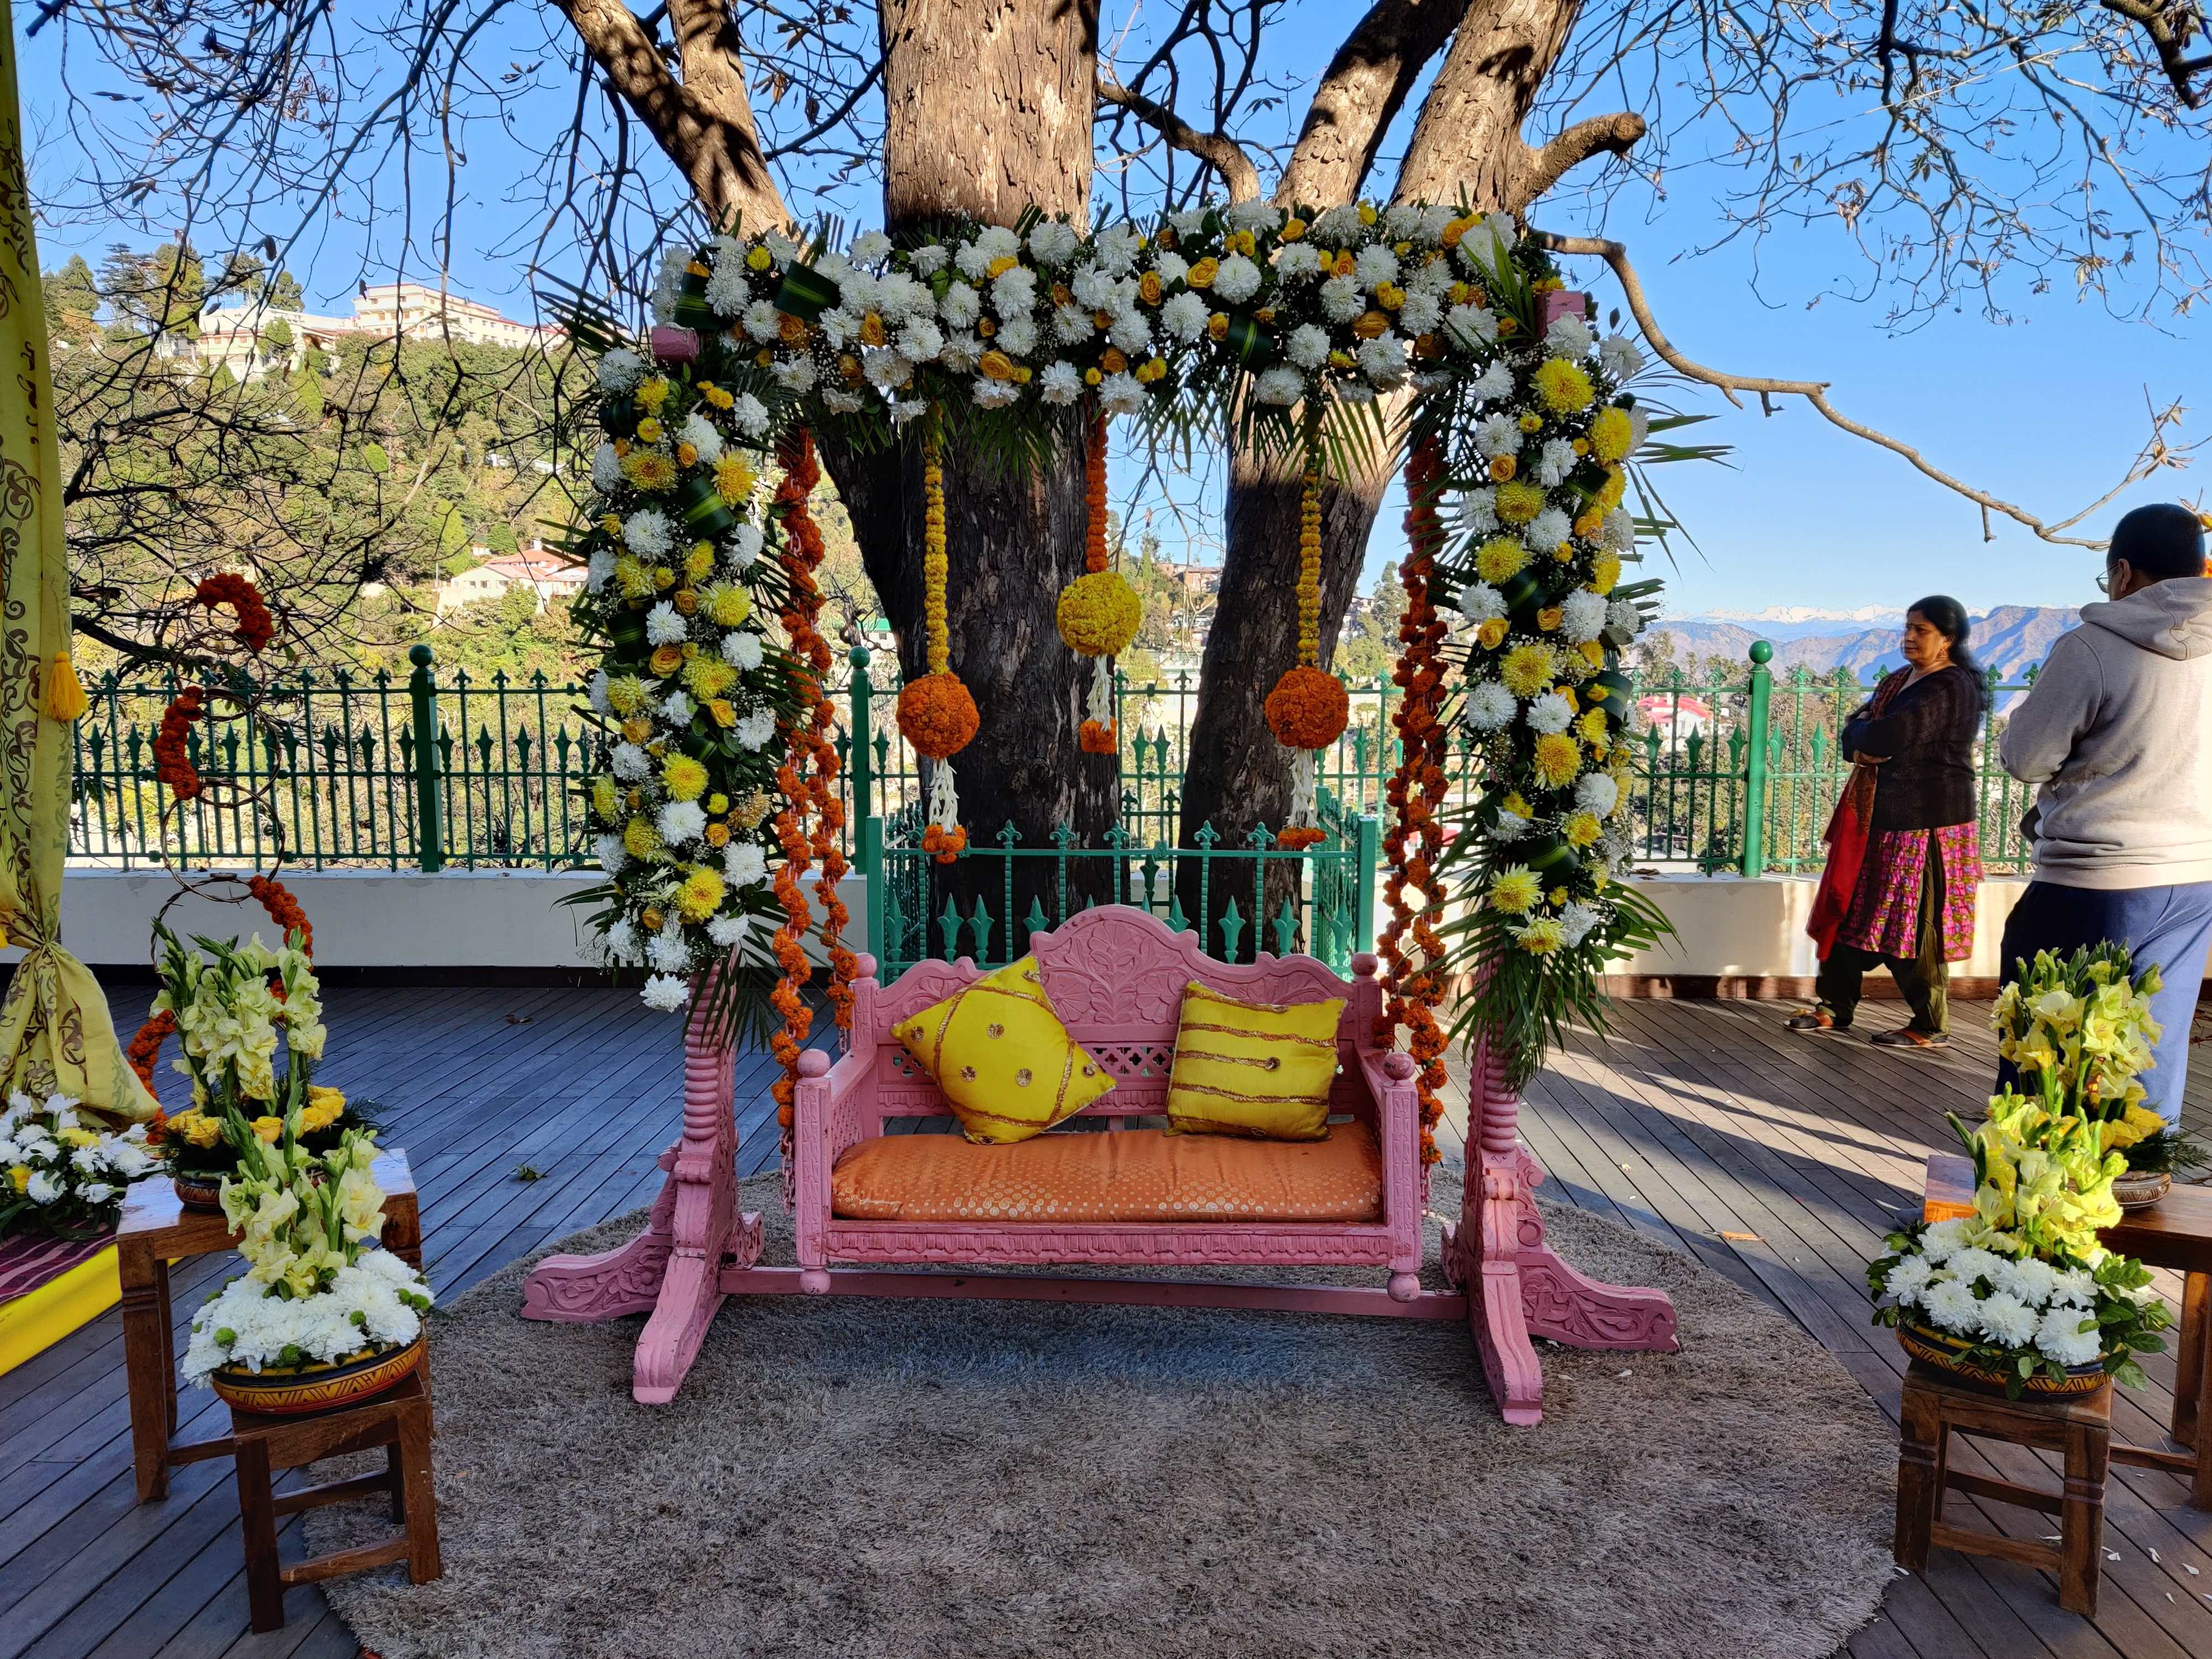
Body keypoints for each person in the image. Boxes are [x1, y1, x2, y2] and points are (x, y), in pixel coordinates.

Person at [1996, 501, 2212, 1125]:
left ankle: (2036, 1178)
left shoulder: (2090, 647)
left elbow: (2027, 759)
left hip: (2094, 878)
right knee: (2152, 1044)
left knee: (2047, 1039)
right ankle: (2141, 1172)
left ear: (2122, 573)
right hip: (2195, 876)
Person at [1788, 597, 1985, 1047]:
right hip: (1879, 818)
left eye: (1921, 630)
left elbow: (1888, 734)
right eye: (1908, 628)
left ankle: (1930, 1024)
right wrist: (1860, 740)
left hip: (1927, 823)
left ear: (1948, 639)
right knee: (1850, 905)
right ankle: (1834, 1006)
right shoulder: (1899, 681)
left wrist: (1865, 736)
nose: (1909, 638)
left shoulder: (1950, 687)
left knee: (1916, 922)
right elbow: (1852, 731)